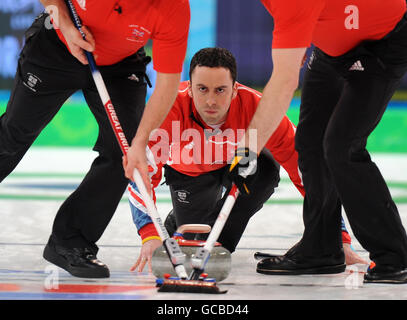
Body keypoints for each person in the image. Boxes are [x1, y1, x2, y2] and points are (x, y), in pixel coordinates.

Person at [124, 47, 366, 273]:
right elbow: (140, 176)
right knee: (191, 229)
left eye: (220, 90)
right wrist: (150, 234)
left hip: (241, 168)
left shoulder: (258, 108)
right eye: (202, 89)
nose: (210, 101)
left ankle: (218, 241)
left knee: (265, 170)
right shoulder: (167, 109)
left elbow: (308, 171)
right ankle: (179, 221)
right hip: (190, 173)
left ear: (235, 89)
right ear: (190, 88)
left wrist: (338, 238)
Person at [0, 0, 190, 278]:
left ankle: (71, 241)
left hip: (120, 65)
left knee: (123, 151)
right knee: (14, 134)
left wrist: (140, 142)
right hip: (57, 47)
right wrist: (64, 22)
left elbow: (168, 83)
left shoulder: (174, 9)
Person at [227, 0, 407, 283]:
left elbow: (285, 82)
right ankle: (321, 249)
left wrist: (248, 148)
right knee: (310, 142)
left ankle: (394, 257)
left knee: (341, 147)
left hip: (384, 41)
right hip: (332, 49)